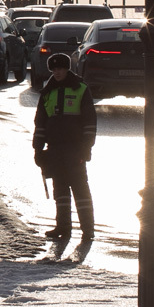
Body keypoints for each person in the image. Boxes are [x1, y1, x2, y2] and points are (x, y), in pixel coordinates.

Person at [32, 52, 97, 242]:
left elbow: (89, 122)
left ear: (67, 69)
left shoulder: (81, 89)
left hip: (75, 149)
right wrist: (38, 148)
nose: (57, 72)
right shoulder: (48, 92)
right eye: (54, 69)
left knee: (80, 190)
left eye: (60, 68)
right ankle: (63, 228)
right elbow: (40, 123)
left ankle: (88, 230)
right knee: (59, 190)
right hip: (54, 149)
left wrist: (87, 147)